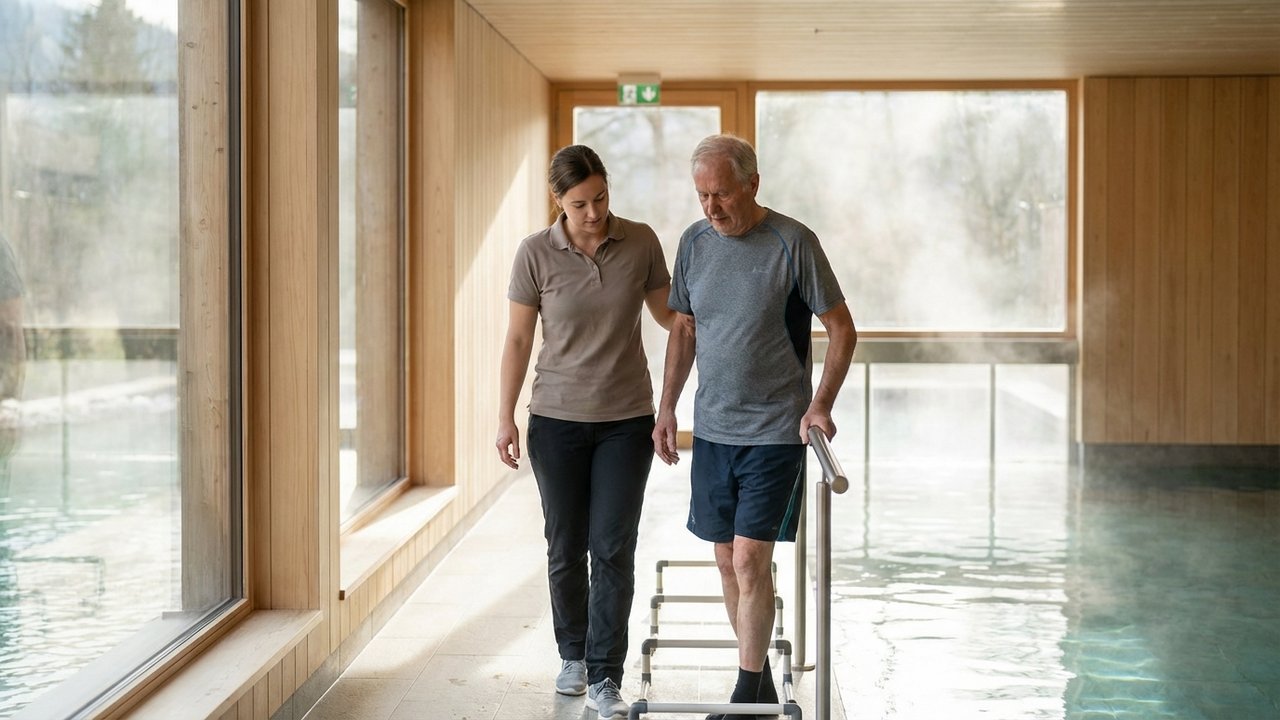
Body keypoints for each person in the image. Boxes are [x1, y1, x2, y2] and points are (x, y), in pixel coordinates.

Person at [651, 134, 856, 719]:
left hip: (774, 432)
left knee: (748, 560)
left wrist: (820, 405)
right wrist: (667, 407)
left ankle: (744, 695)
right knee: (724, 560)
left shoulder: (793, 242)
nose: (711, 208)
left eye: (721, 194)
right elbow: (684, 329)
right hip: (712, 430)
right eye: (701, 195)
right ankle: (756, 678)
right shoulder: (693, 243)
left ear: (753, 185)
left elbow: (842, 329)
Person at [496, 144, 675, 720]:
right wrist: (505, 415)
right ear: (558, 201)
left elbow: (670, 315)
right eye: (580, 204)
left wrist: (716, 308)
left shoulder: (641, 241)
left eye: (600, 198)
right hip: (556, 421)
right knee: (565, 546)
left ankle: (605, 676)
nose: (594, 212)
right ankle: (572, 655)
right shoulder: (534, 254)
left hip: (626, 420)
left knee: (614, 547)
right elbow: (519, 340)